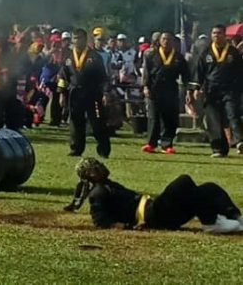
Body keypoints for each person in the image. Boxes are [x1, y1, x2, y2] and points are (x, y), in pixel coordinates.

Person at [64, 158, 243, 234]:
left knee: (208, 188)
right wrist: (129, 227)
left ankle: (236, 216)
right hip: (152, 216)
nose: (100, 168)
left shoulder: (108, 184)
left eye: (98, 164)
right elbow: (101, 221)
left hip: (159, 211)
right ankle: (211, 222)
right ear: (89, 176)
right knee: (183, 181)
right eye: (94, 168)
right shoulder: (98, 193)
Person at [189, 24, 243, 157]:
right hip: (211, 90)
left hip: (230, 90)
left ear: (225, 35)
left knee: (233, 114)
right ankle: (219, 149)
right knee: (214, 120)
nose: (216, 36)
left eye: (219, 33)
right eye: (214, 33)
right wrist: (196, 87)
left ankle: (240, 141)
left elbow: (240, 72)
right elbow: (199, 71)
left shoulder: (233, 52)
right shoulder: (206, 52)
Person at [61, 28, 111, 158]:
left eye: (80, 38)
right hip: (74, 93)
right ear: (72, 40)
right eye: (75, 38)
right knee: (75, 122)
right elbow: (62, 77)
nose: (77, 41)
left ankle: (103, 150)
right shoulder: (68, 56)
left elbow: (103, 77)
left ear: (85, 39)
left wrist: (105, 92)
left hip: (92, 94)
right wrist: (61, 93)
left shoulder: (95, 56)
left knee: (97, 122)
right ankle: (76, 149)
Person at [142, 31, 189, 154]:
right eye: (163, 39)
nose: (166, 41)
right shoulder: (151, 55)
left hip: (171, 90)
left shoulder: (178, 57)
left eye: (169, 39)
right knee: (153, 117)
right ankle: (151, 144)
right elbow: (146, 72)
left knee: (169, 118)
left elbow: (186, 75)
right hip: (154, 90)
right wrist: (146, 87)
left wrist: (189, 91)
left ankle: (166, 144)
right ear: (159, 41)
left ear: (173, 42)